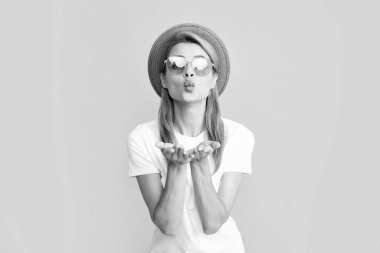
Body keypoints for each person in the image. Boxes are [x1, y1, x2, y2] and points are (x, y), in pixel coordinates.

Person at [127, 23, 255, 253]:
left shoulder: (238, 136)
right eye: (176, 64)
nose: (189, 72)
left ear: (214, 78)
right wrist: (176, 169)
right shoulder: (143, 137)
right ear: (164, 79)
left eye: (200, 64)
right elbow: (168, 224)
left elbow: (213, 223)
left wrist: (199, 166)